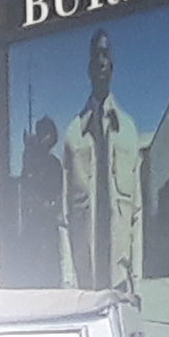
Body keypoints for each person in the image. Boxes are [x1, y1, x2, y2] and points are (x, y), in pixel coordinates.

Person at [60, 29, 143, 295]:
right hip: (85, 284)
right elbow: (63, 216)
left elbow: (137, 215)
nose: (101, 62)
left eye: (106, 54)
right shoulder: (74, 134)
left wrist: (137, 282)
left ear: (113, 66)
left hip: (121, 282)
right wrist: (68, 281)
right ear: (88, 67)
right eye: (96, 55)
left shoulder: (129, 131)